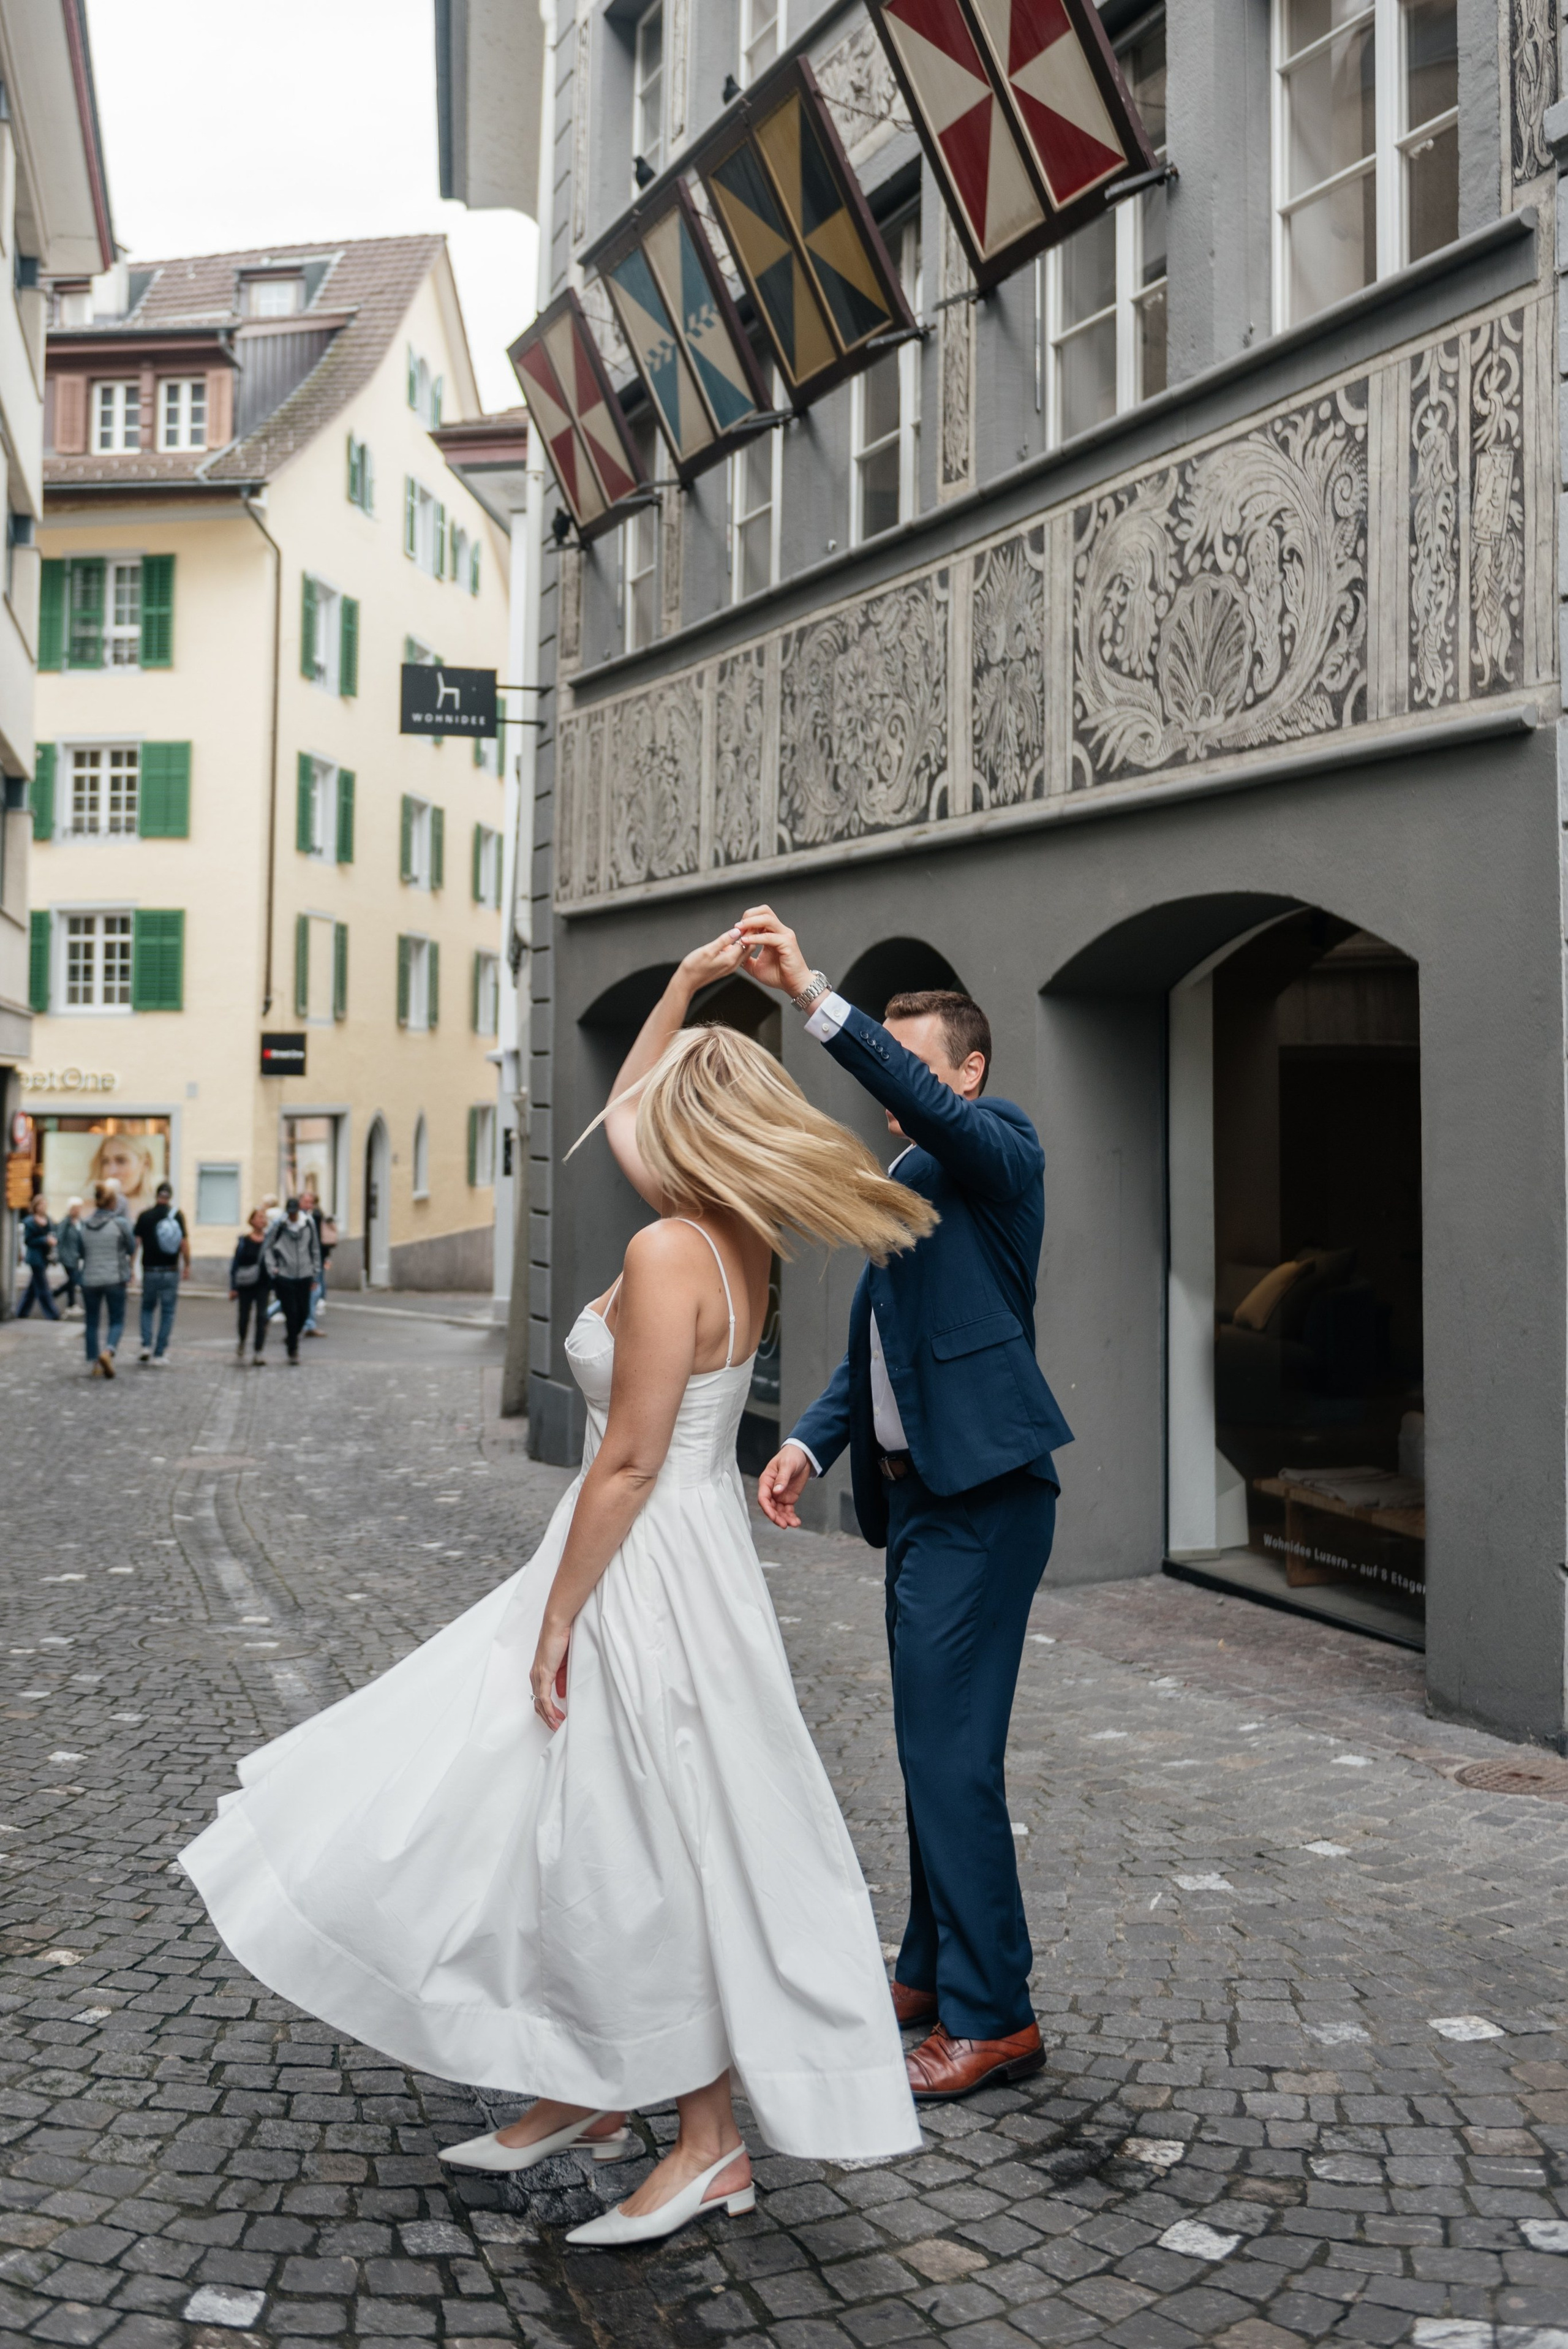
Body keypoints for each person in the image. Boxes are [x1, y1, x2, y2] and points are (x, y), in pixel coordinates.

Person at [179, 926, 933, 2248]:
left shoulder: (665, 1257)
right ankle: (581, 2083)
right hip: (680, 1553)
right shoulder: (730, 1237)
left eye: (658, 1103)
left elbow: (630, 1461)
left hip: (643, 1566)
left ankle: (705, 2143)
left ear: (685, 1128)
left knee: (636, 1835)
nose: (629, 1121)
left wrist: (559, 1615)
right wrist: (692, 985)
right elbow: (625, 1110)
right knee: (549, 1807)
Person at [740, 905, 1074, 2105]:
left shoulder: (998, 1142)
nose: (897, 1087)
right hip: (918, 1504)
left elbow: (929, 1105)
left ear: (966, 1071)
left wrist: (817, 1000)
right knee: (932, 1751)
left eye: (913, 1062)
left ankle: (996, 2017)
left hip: (983, 1500)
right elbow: (884, 1345)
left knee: (950, 1757)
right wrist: (812, 1444)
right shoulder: (909, 1171)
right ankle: (932, 1969)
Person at [78, 1182, 135, 1377]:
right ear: (112, 1203)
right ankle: (108, 1351)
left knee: (92, 1322)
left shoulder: (85, 1224)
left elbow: (81, 1251)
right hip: (114, 1278)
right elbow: (131, 1248)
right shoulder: (121, 1224)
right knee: (116, 1320)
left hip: (90, 1279)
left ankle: (94, 1364)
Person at [134, 1181, 189, 1365]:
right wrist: (187, 1264)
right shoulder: (177, 1216)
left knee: (147, 1308)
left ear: (156, 1195)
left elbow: (136, 1243)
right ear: (170, 1196)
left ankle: (146, 1346)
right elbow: (184, 1244)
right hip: (171, 1270)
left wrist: (131, 1266)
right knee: (168, 1312)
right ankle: (159, 1353)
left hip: (149, 1270)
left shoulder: (145, 1216)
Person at [262, 1198, 321, 1364]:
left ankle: (291, 1337)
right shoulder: (279, 1225)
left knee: (303, 1313)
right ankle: (293, 1351)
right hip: (284, 1275)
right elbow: (268, 1247)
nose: (293, 1216)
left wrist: (315, 1272)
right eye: (290, 1213)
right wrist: (273, 1268)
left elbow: (315, 1248)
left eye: (295, 1212)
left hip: (305, 1274)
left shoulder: (308, 1223)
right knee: (291, 1313)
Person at [229, 1208, 270, 1365]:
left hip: (263, 1285)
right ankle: (242, 1341)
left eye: (263, 1218)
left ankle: (258, 1351)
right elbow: (236, 1264)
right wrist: (233, 1287)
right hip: (245, 1284)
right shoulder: (243, 1241)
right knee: (244, 1317)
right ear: (251, 1221)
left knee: (262, 1317)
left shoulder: (269, 1241)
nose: (261, 1220)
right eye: (258, 1217)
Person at [87, 1133, 160, 1220]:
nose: (112, 1171)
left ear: (145, 1165)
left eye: (121, 1161)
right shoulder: (86, 1211)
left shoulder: (156, 1212)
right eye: (105, 1161)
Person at [17, 1197, 59, 1321]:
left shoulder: (48, 1220)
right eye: (41, 1205)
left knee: (32, 1288)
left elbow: (52, 1233)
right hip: (35, 1257)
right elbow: (28, 1240)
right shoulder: (30, 1222)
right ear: (36, 1206)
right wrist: (44, 1240)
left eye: (45, 1205)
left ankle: (22, 1311)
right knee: (43, 1287)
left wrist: (52, 1240)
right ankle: (52, 1314)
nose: (43, 1207)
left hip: (44, 1256)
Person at [56, 1200, 85, 1314]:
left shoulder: (80, 1223)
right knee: (75, 1279)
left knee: (72, 1281)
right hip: (67, 1256)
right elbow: (60, 1239)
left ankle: (71, 1304)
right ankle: (58, 1294)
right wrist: (60, 1254)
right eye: (76, 1208)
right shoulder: (66, 1223)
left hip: (76, 1255)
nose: (78, 1211)